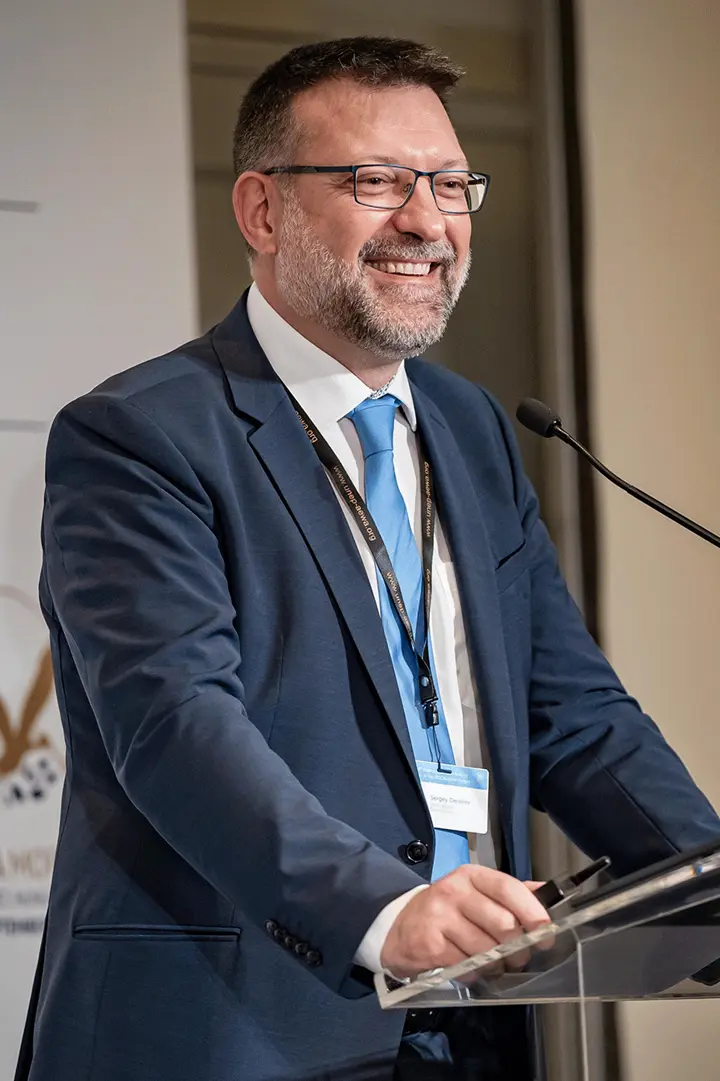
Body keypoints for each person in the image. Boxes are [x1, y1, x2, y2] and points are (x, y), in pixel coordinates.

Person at [17, 36, 719, 1081]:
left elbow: (573, 713)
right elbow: (173, 723)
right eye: (377, 181)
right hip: (231, 1029)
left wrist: (705, 875)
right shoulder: (141, 434)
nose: (428, 222)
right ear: (263, 210)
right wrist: (381, 910)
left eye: (448, 183)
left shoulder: (472, 427)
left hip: (469, 1023)